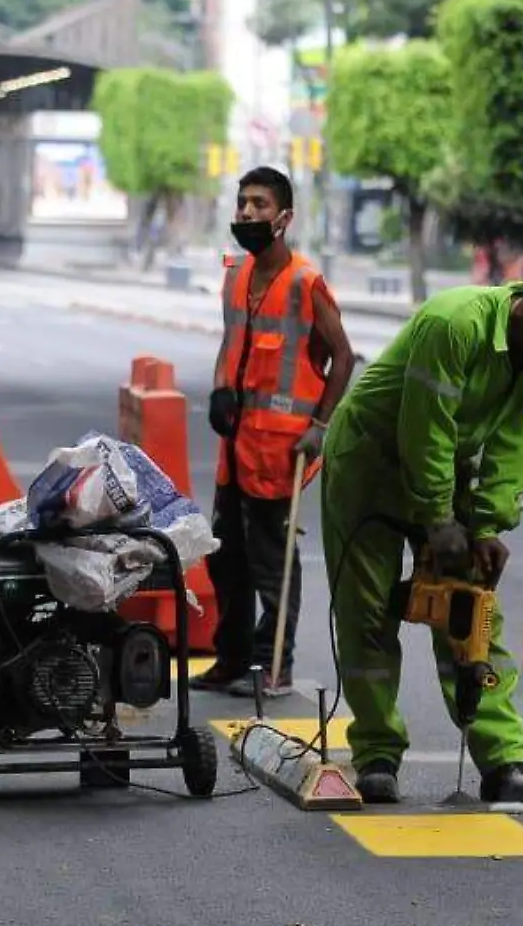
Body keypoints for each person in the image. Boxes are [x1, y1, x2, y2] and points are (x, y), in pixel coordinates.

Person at [319, 265, 523, 806]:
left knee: (472, 613)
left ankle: (503, 756)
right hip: (368, 460)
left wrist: (485, 525)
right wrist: (439, 521)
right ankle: (376, 753)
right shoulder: (455, 322)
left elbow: (513, 447)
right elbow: (426, 429)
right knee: (367, 614)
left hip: (441, 470)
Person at [190, 166, 356, 699]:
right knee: (225, 560)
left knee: (272, 566)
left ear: (284, 218)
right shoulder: (235, 273)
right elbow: (229, 343)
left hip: (281, 453)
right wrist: (220, 389)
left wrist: (320, 426)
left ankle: (273, 665)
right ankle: (232, 658)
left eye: (259, 204)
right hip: (235, 451)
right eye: (243, 202)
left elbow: (343, 356)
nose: (247, 213)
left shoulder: (306, 283)